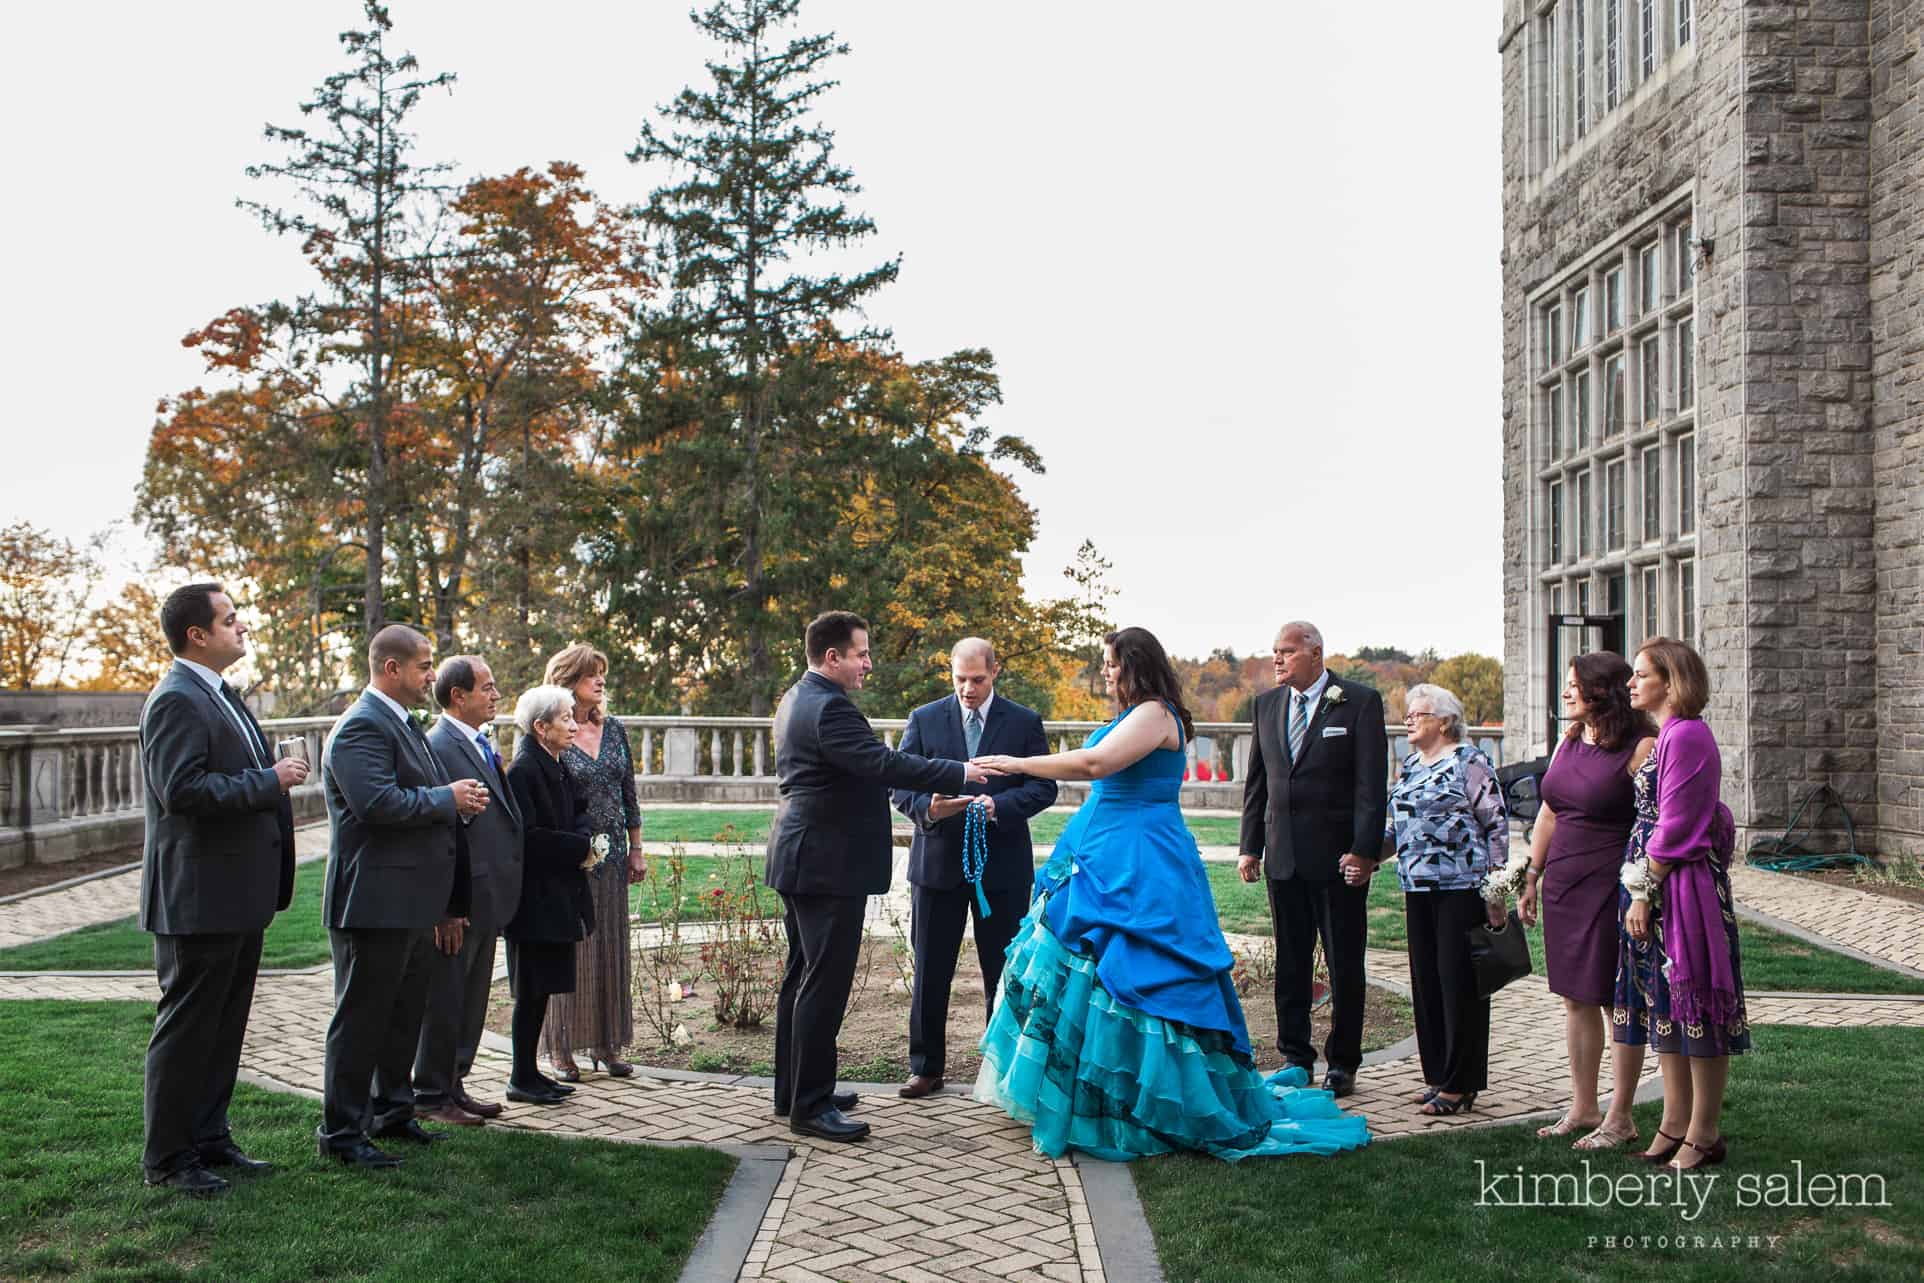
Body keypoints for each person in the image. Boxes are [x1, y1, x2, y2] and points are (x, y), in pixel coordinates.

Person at [972, 626, 1369, 1161]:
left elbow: (1094, 766)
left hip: (1140, 860)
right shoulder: (1136, 713)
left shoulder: (1156, 715)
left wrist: (1015, 764)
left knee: (1140, 969)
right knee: (1086, 971)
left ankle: (1144, 1102)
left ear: (1135, 663)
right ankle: (1096, 1095)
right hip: (1101, 849)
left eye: (1112, 664)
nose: (1106, 672)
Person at [766, 610, 984, 1142]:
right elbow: (883, 764)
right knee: (823, 981)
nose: (869, 663)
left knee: (802, 974)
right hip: (826, 864)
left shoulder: (798, 698)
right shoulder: (830, 708)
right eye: (861, 653)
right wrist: (961, 770)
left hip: (803, 856)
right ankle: (811, 1106)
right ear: (833, 657)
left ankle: (794, 1088)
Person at [137, 583, 304, 1196]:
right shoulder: (175, 699)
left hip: (239, 894)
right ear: (196, 635)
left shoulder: (222, 693)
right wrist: (270, 780)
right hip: (197, 898)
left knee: (225, 1025)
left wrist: (268, 778)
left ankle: (209, 1138)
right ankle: (167, 1159)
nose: (242, 628)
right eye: (230, 620)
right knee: (187, 1029)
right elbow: (181, 792)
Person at [317, 625, 486, 1169]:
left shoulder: (403, 724)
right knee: (361, 1019)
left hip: (412, 900)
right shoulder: (360, 728)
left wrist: (453, 803)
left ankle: (393, 1111)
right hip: (373, 900)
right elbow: (376, 804)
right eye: (423, 666)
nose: (431, 675)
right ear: (391, 669)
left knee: (402, 1017)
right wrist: (447, 797)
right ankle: (342, 1131)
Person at [890, 638, 1057, 1100]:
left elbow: (1044, 789)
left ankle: (1001, 1070)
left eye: (977, 680)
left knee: (1002, 971)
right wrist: (931, 808)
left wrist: (998, 805)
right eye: (960, 679)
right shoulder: (923, 719)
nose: (967, 689)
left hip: (1002, 868)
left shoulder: (1024, 722)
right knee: (930, 970)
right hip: (936, 866)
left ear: (995, 672)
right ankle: (925, 1068)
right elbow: (899, 788)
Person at [1236, 621, 1389, 1097]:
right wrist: (1249, 846)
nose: (1277, 660)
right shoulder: (1266, 706)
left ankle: (1343, 1062)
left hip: (1338, 861)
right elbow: (1257, 783)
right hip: (1283, 858)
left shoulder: (1359, 701)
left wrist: (1364, 852)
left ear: (1316, 653)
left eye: (1286, 652)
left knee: (1345, 964)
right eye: (1274, 652)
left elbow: (1371, 786)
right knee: (1291, 962)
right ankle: (1295, 1057)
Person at [1617, 638, 1750, 1170]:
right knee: (1662, 1008)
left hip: (1680, 888)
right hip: (1653, 880)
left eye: (1641, 674)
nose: (1631, 683)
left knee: (1696, 1003)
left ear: (1671, 683)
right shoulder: (1665, 735)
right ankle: (1673, 1120)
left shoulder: (1689, 736)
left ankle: (1705, 1131)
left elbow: (1677, 826)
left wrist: (1644, 892)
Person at [1518, 653, 1656, 1149]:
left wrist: (1642, 890)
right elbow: (1550, 814)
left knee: (1616, 1003)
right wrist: (1532, 873)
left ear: (1604, 692)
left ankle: (1621, 1116)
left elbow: (1654, 823)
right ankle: (1583, 1106)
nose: (1566, 693)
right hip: (1563, 886)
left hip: (1610, 887)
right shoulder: (1571, 739)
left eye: (1574, 685)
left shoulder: (1643, 746)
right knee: (1575, 999)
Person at [1383, 684, 1509, 1117]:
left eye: (1417, 713)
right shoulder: (1412, 764)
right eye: (1408, 713)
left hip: (1461, 889)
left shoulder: (1469, 761)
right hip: (1417, 888)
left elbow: (1495, 824)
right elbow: (1397, 827)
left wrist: (1495, 889)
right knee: (1428, 985)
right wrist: (1363, 856)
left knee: (1460, 986)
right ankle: (1437, 1075)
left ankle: (1461, 1083)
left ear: (1444, 720)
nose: (1408, 719)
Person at [414, 656, 524, 1126]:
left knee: (471, 1000)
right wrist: (447, 907)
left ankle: (455, 1085)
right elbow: (438, 835)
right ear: (458, 696)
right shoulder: (438, 747)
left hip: (488, 898)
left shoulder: (480, 743)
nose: (496, 695)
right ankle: (431, 1092)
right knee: (445, 1000)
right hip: (460, 901)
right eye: (487, 687)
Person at [541, 644, 645, 1081]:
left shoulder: (615, 729)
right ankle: (562, 1048)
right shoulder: (551, 734)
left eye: (602, 674)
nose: (600, 682)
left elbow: (629, 792)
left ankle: (607, 1044)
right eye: (591, 676)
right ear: (568, 682)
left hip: (615, 858)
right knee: (574, 950)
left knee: (610, 949)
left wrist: (636, 847)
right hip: (574, 859)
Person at [502, 685, 598, 1105]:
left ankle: (531, 1074)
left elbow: (579, 811)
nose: (574, 725)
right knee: (531, 988)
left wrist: (585, 837)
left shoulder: (556, 764)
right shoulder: (524, 770)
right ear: (541, 727)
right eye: (565, 718)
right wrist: (580, 848)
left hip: (556, 894)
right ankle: (521, 1077)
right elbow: (528, 837)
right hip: (534, 900)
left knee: (542, 988)